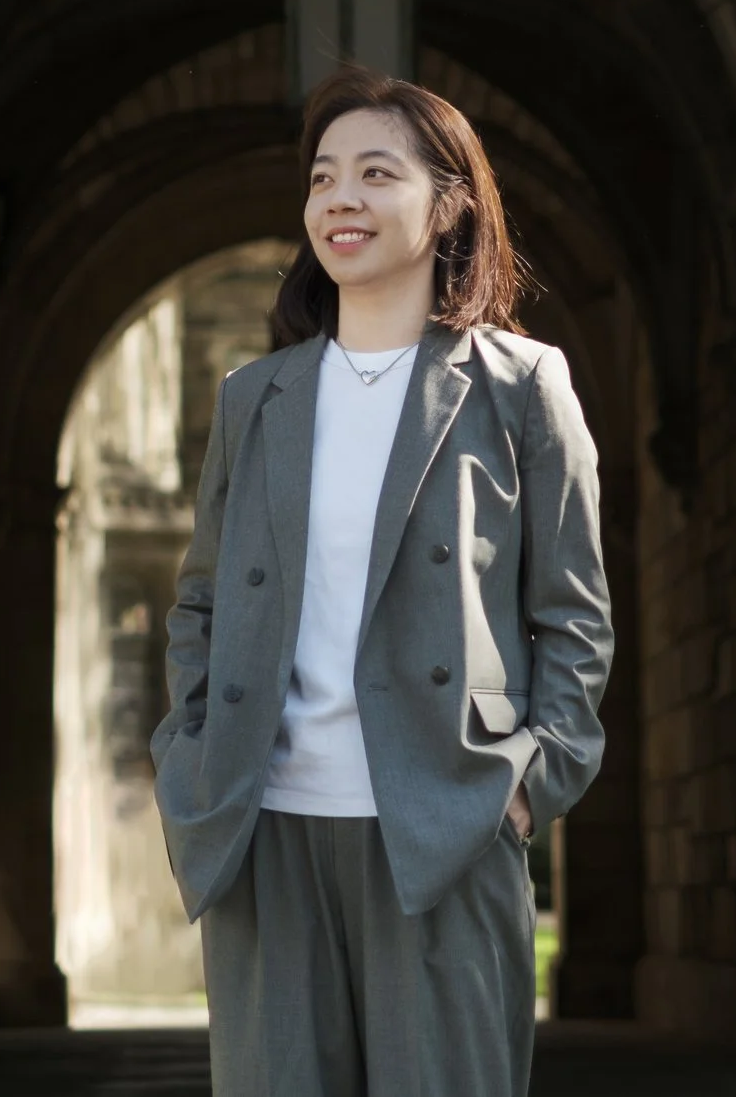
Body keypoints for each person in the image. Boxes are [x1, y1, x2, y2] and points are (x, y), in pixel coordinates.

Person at [151, 64, 613, 1097]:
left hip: (444, 824)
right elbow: (201, 599)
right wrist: (188, 753)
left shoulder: (519, 386)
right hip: (263, 828)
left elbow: (573, 615)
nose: (340, 200)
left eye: (374, 173)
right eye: (321, 178)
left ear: (449, 203)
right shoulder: (253, 396)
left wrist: (526, 788)